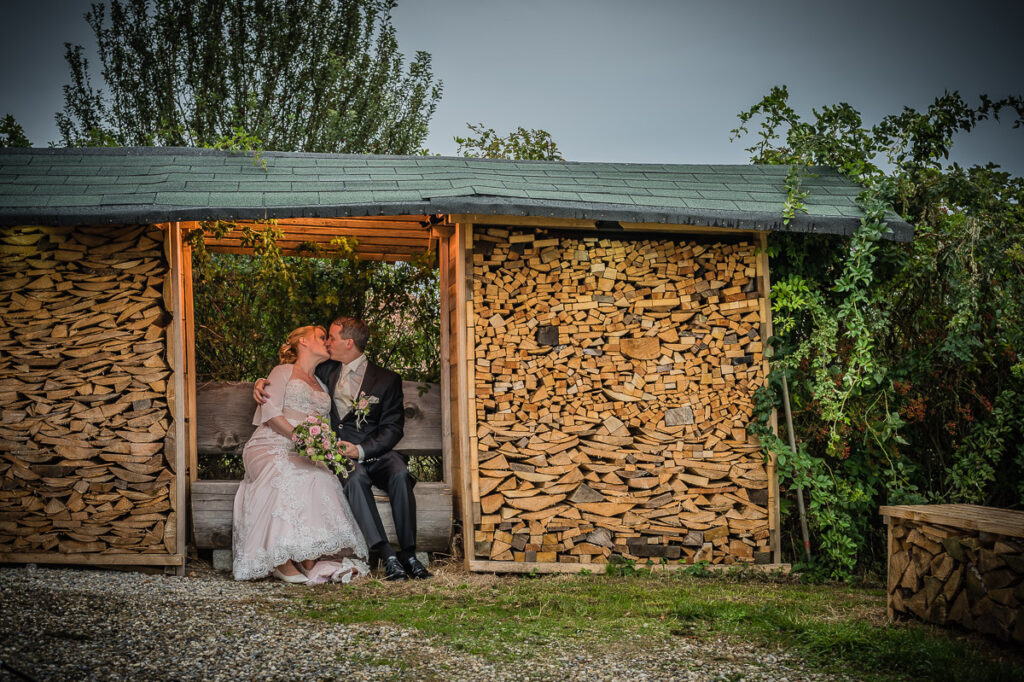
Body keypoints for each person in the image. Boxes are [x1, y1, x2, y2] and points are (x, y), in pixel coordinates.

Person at [254, 317, 431, 581]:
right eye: (324, 338)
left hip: (375, 451)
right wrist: (260, 382)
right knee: (355, 477)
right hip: (337, 454)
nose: (327, 342)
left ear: (349, 343)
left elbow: (393, 428)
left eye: (332, 338)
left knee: (400, 473)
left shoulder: (387, 379)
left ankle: (409, 553)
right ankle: (386, 554)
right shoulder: (325, 371)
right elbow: (293, 374)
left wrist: (361, 449)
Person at [233, 325, 369, 584]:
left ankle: (309, 556)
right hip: (271, 443)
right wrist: (299, 438)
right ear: (303, 342)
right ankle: (280, 559)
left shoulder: (322, 380)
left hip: (306, 449)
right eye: (321, 336)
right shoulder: (282, 372)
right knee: (285, 473)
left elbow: (325, 422)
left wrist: (318, 445)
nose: (327, 342)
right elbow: (271, 413)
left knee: (321, 479)